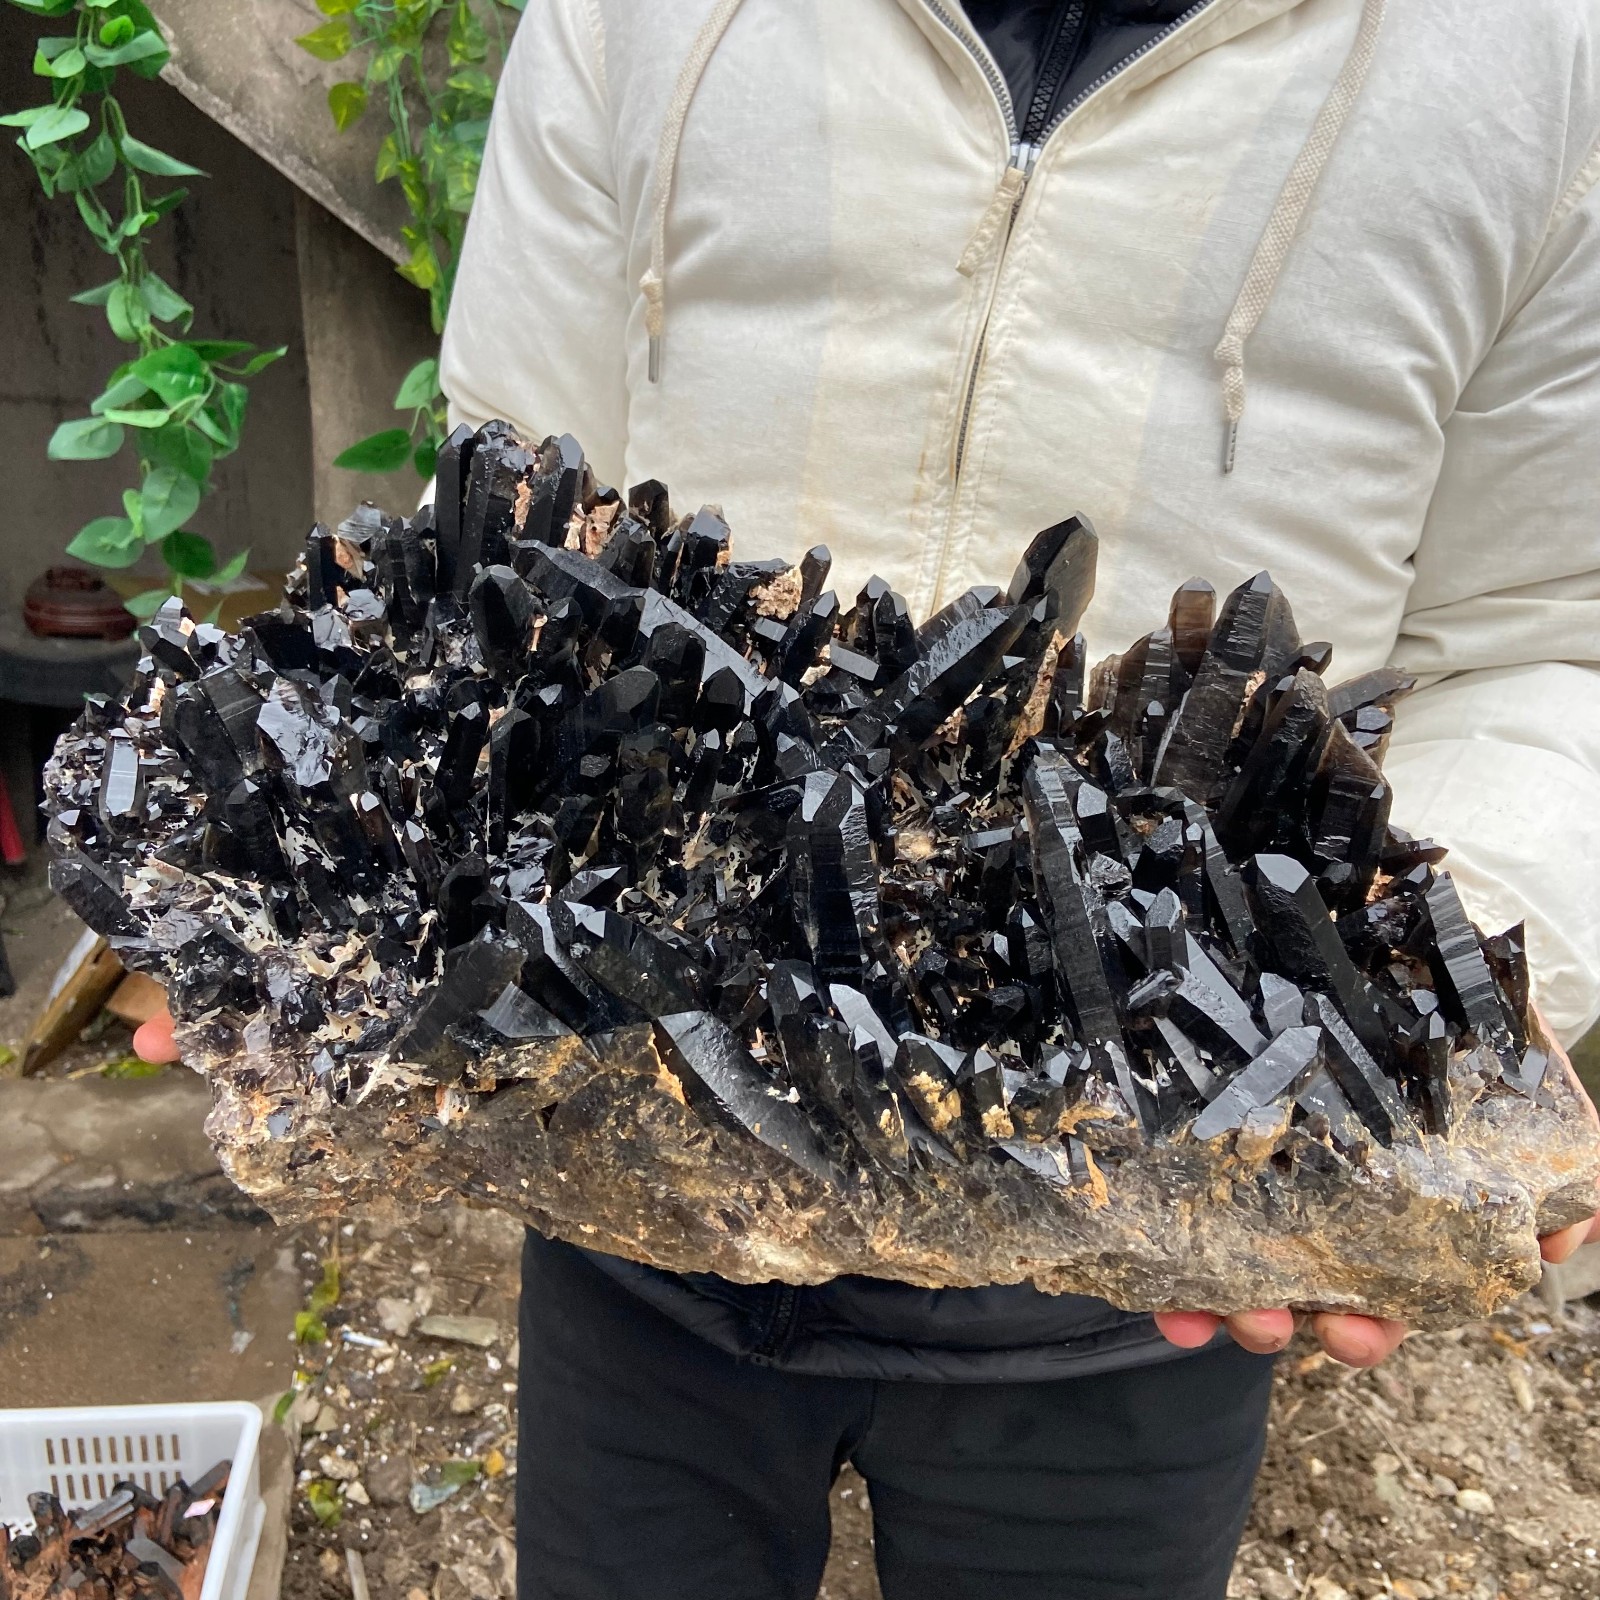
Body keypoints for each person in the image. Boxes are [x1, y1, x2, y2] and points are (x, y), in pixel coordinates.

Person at [138, 1, 1600, 1595]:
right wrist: (302, 883)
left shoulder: (1536, 62)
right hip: (633, 1216)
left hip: (1125, 1305)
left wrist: (1441, 1004)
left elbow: (1548, 640)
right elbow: (522, 515)